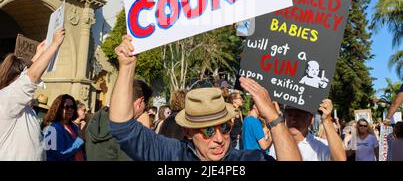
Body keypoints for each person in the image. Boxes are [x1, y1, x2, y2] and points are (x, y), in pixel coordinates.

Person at [108, 36, 302, 161]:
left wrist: (273, 117)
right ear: (188, 131)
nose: (219, 139)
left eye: (225, 128)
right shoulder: (172, 155)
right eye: (208, 130)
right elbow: (122, 127)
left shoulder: (246, 160)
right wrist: (127, 66)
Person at [0, 28, 65, 161]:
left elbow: (27, 74)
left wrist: (39, 53)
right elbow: (31, 75)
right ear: (16, 78)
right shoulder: (6, 98)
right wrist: (54, 45)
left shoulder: (14, 99)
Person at [85, 79, 153, 161]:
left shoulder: (96, 118)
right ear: (140, 101)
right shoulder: (128, 130)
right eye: (146, 106)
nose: (145, 111)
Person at [272, 101, 346, 161]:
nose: (293, 119)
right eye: (289, 115)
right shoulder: (275, 144)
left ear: (310, 120)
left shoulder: (319, 146)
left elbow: (340, 159)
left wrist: (326, 119)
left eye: (298, 115)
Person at [42, 94, 86, 161]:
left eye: (72, 107)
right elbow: (61, 154)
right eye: (66, 107)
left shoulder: (74, 126)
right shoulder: (52, 129)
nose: (70, 109)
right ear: (58, 108)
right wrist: (80, 138)